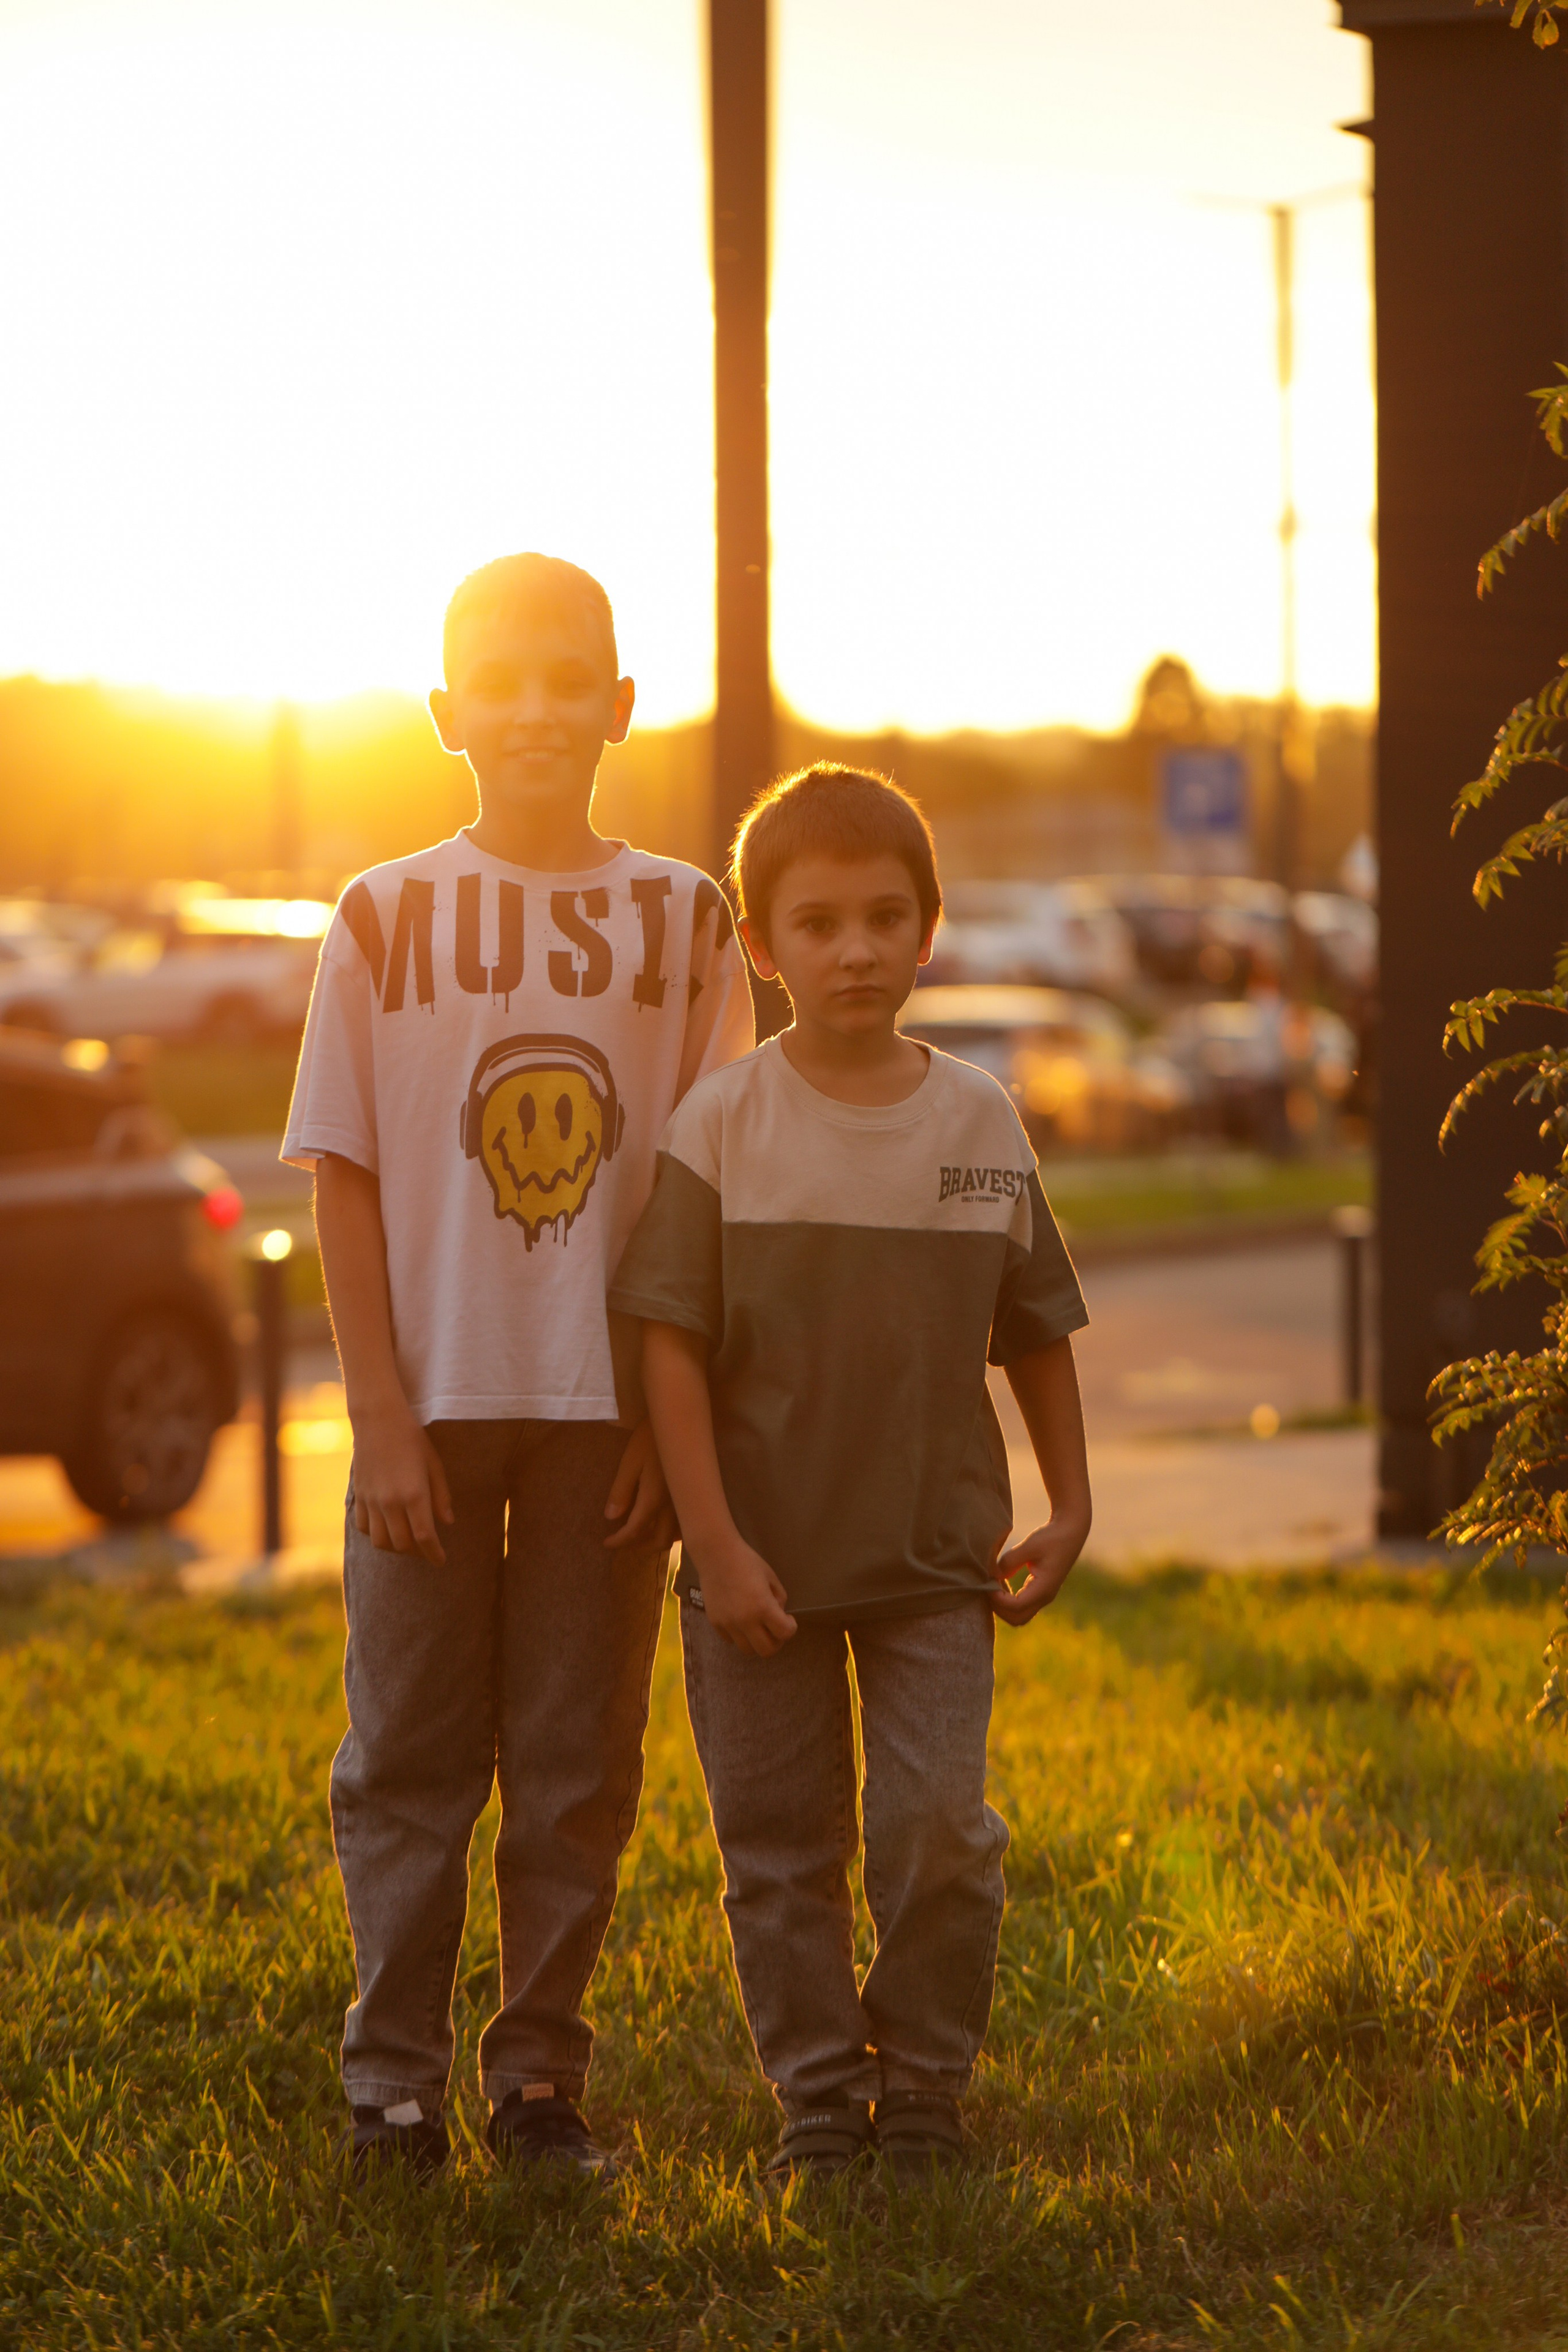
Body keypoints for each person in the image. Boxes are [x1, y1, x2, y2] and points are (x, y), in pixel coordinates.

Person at [281, 552, 753, 2180]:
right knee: (408, 1755)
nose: (542, 708)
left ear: (625, 709)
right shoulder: (378, 913)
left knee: (575, 1762)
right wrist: (380, 1416)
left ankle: (540, 2082)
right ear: (446, 712)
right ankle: (393, 2085)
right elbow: (341, 1173)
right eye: (506, 678)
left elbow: (705, 1203)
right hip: (428, 1415)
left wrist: (666, 1420)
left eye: (576, 680)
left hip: (603, 1426)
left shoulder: (688, 921)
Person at [609, 764, 1093, 2180]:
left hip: (936, 1563)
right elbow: (670, 1350)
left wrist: (1069, 1505)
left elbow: (1037, 1331)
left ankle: (926, 2089)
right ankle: (819, 2101)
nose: (856, 949)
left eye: (886, 917)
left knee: (939, 1827)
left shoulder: (978, 1123)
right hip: (753, 1567)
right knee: (776, 1849)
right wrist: (713, 1537)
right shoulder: (718, 1125)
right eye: (816, 925)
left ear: (929, 929)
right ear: (760, 949)